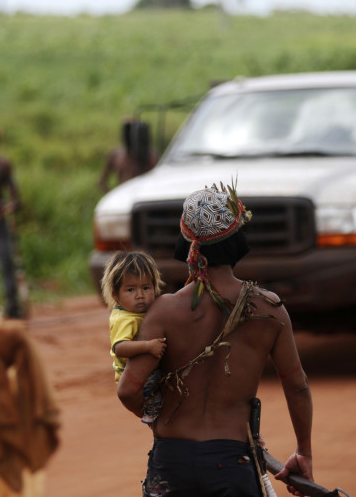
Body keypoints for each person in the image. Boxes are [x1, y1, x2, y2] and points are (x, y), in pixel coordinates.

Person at [117, 182, 314, 497]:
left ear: (189, 247)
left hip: (171, 462)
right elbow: (297, 385)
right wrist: (303, 452)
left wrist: (161, 424)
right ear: (236, 241)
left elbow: (128, 390)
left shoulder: (163, 311)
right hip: (232, 462)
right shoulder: (269, 309)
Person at [101, 251, 167, 425]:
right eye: (131, 290)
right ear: (116, 295)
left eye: (146, 288)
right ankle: (152, 412)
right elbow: (120, 348)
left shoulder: (143, 311)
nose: (140, 295)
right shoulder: (124, 319)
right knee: (158, 385)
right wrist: (148, 346)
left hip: (145, 368)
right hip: (131, 375)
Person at [0, 126, 24, 319]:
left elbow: (13, 189)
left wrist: (12, 204)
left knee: (7, 262)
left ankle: (13, 306)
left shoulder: (2, 164)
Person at [98, 119, 158, 193]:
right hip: (124, 197)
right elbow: (102, 181)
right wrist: (115, 195)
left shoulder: (150, 155)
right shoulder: (116, 155)